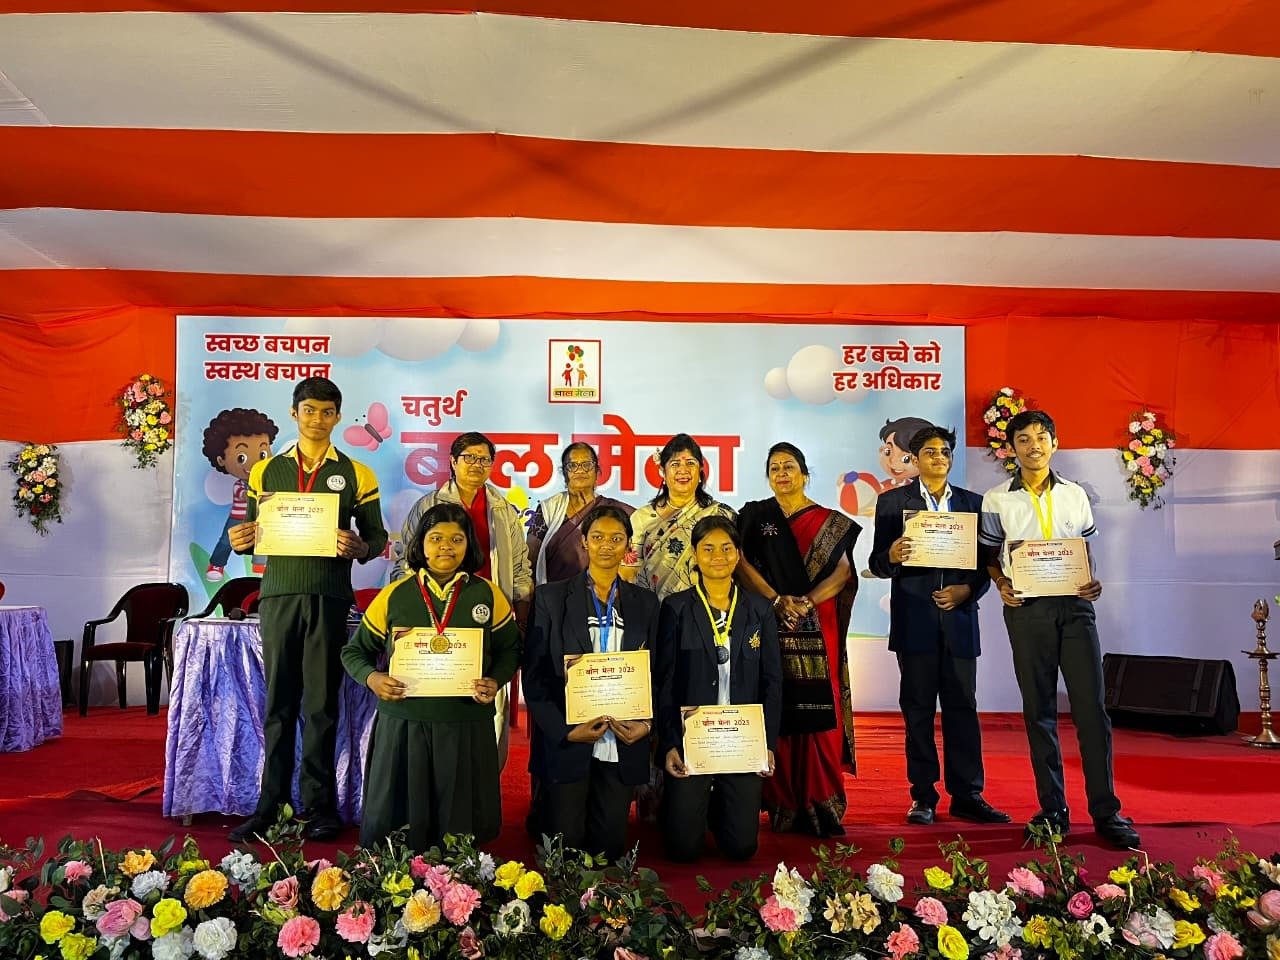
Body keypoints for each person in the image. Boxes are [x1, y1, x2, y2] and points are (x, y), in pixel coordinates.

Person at [227, 377, 388, 842]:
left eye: (327, 411)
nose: (317, 418)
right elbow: (251, 532)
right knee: (277, 704)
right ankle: (270, 808)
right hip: (277, 596)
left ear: (337, 416)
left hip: (330, 597)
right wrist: (240, 540)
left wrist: (359, 547)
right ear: (294, 413)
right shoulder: (265, 471)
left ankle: (320, 808)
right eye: (309, 410)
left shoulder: (358, 473)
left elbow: (376, 537)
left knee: (321, 705)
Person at [980, 410, 1141, 849]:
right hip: (1027, 610)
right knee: (1040, 712)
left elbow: (1082, 549)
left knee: (1092, 711)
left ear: (1054, 442)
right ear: (1011, 448)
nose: (1033, 446)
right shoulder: (996, 499)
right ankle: (1053, 811)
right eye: (1023, 439)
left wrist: (1093, 580)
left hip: (1075, 608)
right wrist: (1001, 583)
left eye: (1041, 437)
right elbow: (989, 554)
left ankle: (1106, 811)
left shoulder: (1075, 494)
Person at [341, 503, 519, 851]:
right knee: (399, 833)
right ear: (421, 544)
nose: (446, 546)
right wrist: (373, 679)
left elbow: (511, 650)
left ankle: (458, 881)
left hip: (465, 724)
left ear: (469, 545)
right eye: (436, 538)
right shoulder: (395, 595)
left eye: (456, 539)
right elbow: (354, 652)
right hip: (405, 725)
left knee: (460, 835)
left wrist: (496, 679)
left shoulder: (487, 594)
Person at [869, 425, 1009, 827]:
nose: (939, 458)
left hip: (960, 622)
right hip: (914, 623)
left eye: (945, 451)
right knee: (917, 712)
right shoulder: (893, 503)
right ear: (914, 459)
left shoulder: (973, 504)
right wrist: (891, 555)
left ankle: (968, 795)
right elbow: (878, 563)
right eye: (930, 452)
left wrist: (968, 591)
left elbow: (986, 565)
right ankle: (923, 796)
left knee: (963, 709)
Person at [736, 442, 859, 837]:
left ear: (805, 474)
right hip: (770, 620)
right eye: (774, 468)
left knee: (821, 703)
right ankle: (784, 802)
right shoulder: (755, 518)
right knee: (778, 699)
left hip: (817, 622)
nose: (781, 474)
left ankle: (821, 798)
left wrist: (806, 602)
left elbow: (842, 572)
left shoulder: (829, 522)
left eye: (789, 466)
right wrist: (776, 601)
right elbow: (739, 563)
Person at [523, 505, 659, 861]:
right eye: (598, 537)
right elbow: (535, 676)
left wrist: (646, 725)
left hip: (621, 738)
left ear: (628, 544)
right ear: (584, 541)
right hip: (570, 737)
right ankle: (545, 810)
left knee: (608, 851)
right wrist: (566, 731)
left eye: (616, 538)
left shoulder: (645, 603)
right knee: (565, 851)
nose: (606, 546)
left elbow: (659, 672)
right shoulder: (552, 598)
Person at [396, 431, 532, 767]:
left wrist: (521, 618)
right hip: (436, 616)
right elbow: (405, 561)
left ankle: (486, 778)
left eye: (484, 459)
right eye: (468, 457)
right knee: (438, 695)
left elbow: (519, 567)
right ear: (453, 462)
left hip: (487, 616)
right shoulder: (428, 506)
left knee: (491, 698)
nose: (476, 465)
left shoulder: (504, 509)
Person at [655, 516, 782, 862]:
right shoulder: (676, 608)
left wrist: (767, 744)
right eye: (708, 549)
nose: (718, 557)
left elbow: (772, 681)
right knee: (683, 850)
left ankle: (718, 809)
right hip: (694, 739)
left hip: (742, 741)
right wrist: (670, 743)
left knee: (741, 848)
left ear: (738, 554)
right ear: (695, 555)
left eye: (727, 548)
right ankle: (689, 808)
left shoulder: (759, 609)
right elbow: (665, 682)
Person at [625, 434, 735, 601]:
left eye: (690, 463)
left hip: (707, 608)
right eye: (675, 464)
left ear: (700, 470)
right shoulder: (642, 518)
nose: (683, 470)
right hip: (653, 609)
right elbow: (628, 574)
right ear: (663, 471)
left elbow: (736, 566)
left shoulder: (721, 514)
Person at [526, 442, 634, 586]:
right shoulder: (548, 509)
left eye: (587, 464)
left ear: (597, 471)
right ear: (564, 473)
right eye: (572, 465)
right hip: (556, 594)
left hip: (605, 592)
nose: (580, 470)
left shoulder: (616, 510)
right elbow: (529, 559)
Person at [200, 407, 278, 581]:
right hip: (238, 518)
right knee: (226, 540)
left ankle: (260, 564)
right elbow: (246, 496)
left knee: (262, 539)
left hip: (260, 517)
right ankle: (217, 564)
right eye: (241, 457)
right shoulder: (240, 485)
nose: (255, 462)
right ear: (221, 460)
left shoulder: (268, 481)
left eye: (263, 454)